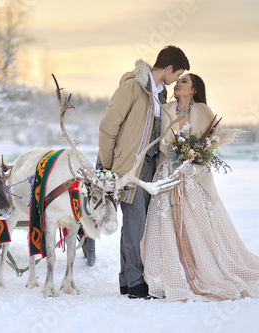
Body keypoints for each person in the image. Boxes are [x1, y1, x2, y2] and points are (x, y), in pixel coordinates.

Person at [143, 73, 259, 301]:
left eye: (184, 82)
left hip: (195, 177)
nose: (178, 84)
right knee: (165, 220)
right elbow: (160, 142)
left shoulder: (203, 111)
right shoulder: (166, 108)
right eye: (178, 81)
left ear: (194, 90)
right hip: (168, 173)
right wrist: (173, 158)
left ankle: (208, 268)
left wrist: (193, 163)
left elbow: (210, 146)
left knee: (200, 224)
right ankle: (169, 272)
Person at [98, 45, 190, 299]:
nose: (176, 80)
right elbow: (108, 127)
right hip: (130, 167)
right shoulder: (132, 88)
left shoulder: (159, 95)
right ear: (169, 68)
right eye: (177, 74)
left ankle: (127, 280)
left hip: (150, 166)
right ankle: (135, 282)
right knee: (135, 221)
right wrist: (107, 166)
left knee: (136, 223)